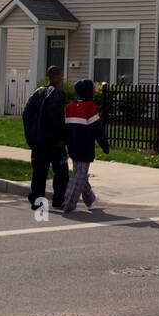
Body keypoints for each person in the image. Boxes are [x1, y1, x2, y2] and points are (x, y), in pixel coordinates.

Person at [22, 65, 68, 210]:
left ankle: (37, 200)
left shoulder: (37, 92)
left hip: (38, 141)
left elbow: (26, 114)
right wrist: (61, 137)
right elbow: (57, 118)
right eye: (61, 75)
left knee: (39, 172)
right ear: (55, 76)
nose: (62, 78)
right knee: (61, 172)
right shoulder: (57, 93)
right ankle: (59, 200)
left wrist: (32, 134)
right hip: (53, 141)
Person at [62, 78, 108, 213]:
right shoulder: (89, 106)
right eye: (92, 88)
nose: (94, 90)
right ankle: (69, 203)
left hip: (72, 145)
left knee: (79, 172)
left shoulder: (70, 106)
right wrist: (104, 144)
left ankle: (90, 199)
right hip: (85, 146)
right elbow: (97, 128)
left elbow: (65, 128)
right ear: (87, 90)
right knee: (79, 175)